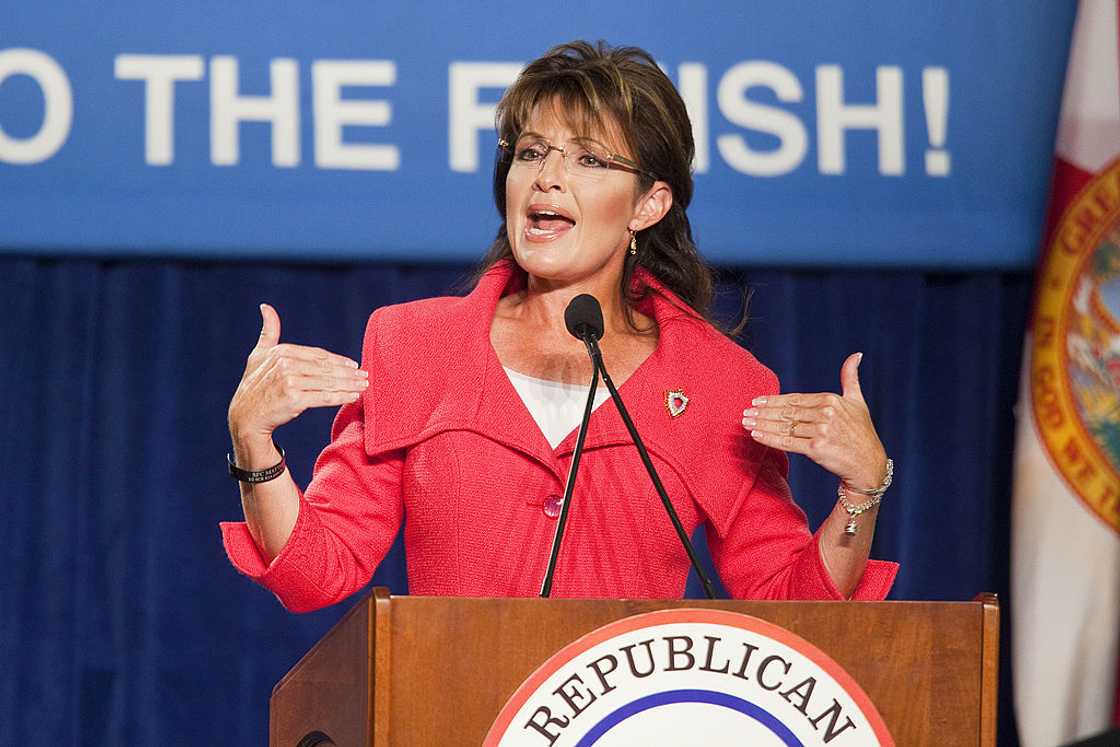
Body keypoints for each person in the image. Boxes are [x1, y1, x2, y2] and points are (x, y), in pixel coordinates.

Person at [221, 41, 897, 613]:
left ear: (649, 204)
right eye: (531, 152)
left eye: (588, 160)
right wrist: (255, 442)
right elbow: (318, 570)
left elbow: (791, 608)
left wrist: (861, 489)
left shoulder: (720, 384)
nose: (546, 178)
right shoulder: (415, 348)